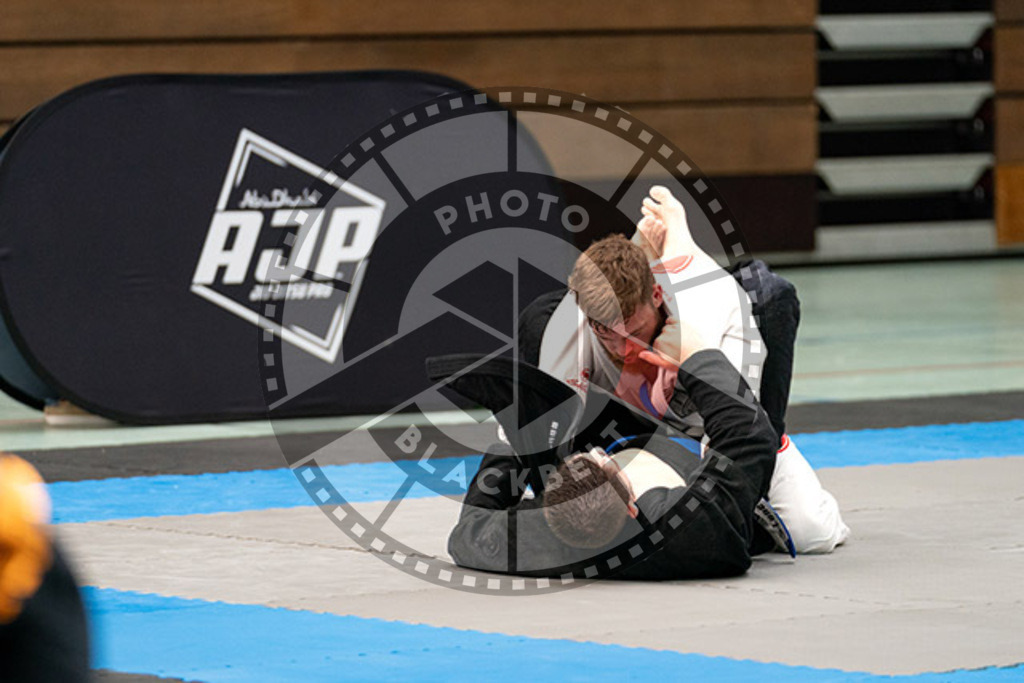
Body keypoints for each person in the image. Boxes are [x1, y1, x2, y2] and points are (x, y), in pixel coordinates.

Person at [520, 185, 848, 554]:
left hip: (715, 428)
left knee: (810, 534)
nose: (623, 347)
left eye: (634, 329)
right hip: (637, 426)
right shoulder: (575, 323)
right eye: (606, 332)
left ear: (657, 298)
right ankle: (651, 244)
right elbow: (544, 437)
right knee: (539, 321)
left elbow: (741, 442)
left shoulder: (709, 315)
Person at [444, 326, 783, 579]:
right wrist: (696, 356)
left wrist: (510, 446)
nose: (597, 453)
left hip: (638, 444)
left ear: (546, 509)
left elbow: (468, 528)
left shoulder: (530, 541)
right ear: (634, 507)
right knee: (816, 527)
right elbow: (750, 433)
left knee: (540, 322)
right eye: (601, 459)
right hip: (688, 452)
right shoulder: (695, 523)